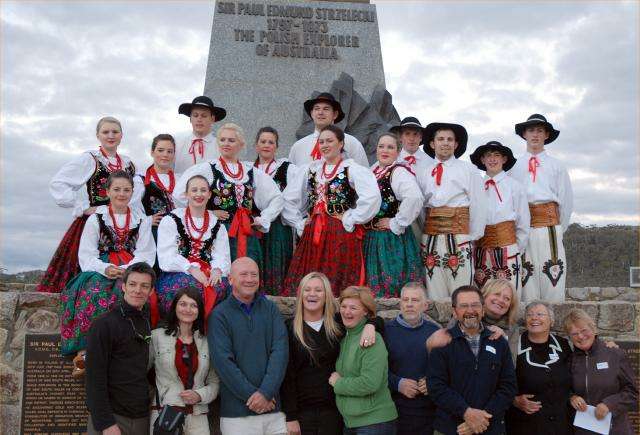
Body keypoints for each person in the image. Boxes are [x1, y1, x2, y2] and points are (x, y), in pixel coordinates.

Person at [60, 171, 155, 377]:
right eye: (117, 189)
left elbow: (146, 253)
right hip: (101, 266)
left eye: (126, 190)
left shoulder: (141, 220)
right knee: (93, 292)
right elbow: (86, 255)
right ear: (108, 191)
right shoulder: (96, 219)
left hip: (133, 267)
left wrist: (128, 269)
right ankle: (85, 353)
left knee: (136, 296)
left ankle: (126, 354)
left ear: (132, 192)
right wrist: (106, 268)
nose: (122, 194)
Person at [38, 116, 141, 293]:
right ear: (98, 135)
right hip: (94, 224)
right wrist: (84, 207)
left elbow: (137, 192)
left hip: (124, 226)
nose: (110, 135)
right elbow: (58, 183)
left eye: (115, 132)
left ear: (121, 135)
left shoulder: (129, 163)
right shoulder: (90, 158)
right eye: (105, 132)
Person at [282, 125, 381, 296]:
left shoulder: (351, 169)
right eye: (321, 142)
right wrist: (299, 222)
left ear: (341, 143)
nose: (325, 145)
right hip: (312, 233)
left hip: (339, 233)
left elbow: (372, 197)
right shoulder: (311, 169)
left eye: (329, 141)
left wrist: (351, 217)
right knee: (309, 278)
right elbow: (288, 199)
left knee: (337, 279)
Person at [281, 272, 382, 435]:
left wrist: (371, 326)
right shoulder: (289, 328)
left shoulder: (338, 323)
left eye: (318, 290)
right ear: (300, 294)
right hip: (302, 414)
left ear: (326, 295)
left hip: (335, 411)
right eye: (307, 290)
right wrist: (290, 416)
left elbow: (375, 319)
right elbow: (287, 375)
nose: (312, 294)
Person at [174, 123, 284, 267]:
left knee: (247, 269)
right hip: (218, 232)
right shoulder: (208, 168)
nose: (226, 143)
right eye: (222, 140)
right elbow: (180, 195)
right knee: (221, 269)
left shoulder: (251, 171)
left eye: (231, 140)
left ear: (241, 144)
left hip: (246, 232)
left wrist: (264, 218)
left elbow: (276, 198)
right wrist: (208, 213)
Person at [210, 257, 288, 435]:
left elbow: (280, 353)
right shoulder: (219, 315)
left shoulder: (271, 310)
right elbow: (224, 363)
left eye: (254, 274)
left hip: (273, 411)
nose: (250, 279)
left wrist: (266, 393)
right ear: (230, 279)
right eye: (243, 274)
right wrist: (255, 397)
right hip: (237, 415)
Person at [428, 285, 516, 435]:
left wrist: (482, 418)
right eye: (463, 306)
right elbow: (436, 386)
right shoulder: (443, 341)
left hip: (490, 427)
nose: (470, 310)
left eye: (475, 305)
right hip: (451, 429)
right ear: (454, 312)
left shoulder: (499, 342)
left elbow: (508, 386)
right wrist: (466, 413)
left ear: (482, 309)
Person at [85, 262, 156, 435]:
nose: (137, 290)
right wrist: (105, 423)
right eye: (132, 284)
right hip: (111, 420)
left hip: (141, 417)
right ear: (123, 286)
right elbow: (94, 378)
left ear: (151, 291)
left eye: (144, 286)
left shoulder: (149, 322)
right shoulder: (103, 325)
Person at [509, 114, 573, 302]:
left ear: (546, 135)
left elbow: (566, 201)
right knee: (526, 275)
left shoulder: (557, 165)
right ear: (524, 134)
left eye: (539, 131)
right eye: (531, 130)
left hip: (549, 228)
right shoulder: (514, 166)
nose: (535, 135)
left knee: (552, 273)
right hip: (523, 228)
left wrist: (559, 229)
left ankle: (552, 324)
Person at [420, 123, 487, 301]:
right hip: (431, 237)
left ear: (456, 145)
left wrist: (473, 236)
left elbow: (479, 204)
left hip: (459, 237)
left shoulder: (468, 170)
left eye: (450, 139)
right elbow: (419, 206)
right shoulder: (424, 172)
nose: (445, 143)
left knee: (462, 289)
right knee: (434, 288)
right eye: (440, 139)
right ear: (432, 144)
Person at [156, 175, 231, 318]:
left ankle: (211, 333)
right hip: (177, 272)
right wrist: (190, 268)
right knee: (189, 288)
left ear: (209, 195)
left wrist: (217, 270)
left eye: (203, 190)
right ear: (186, 194)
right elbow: (166, 257)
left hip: (209, 272)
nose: (198, 194)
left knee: (223, 286)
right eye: (194, 190)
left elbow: (222, 255)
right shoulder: (172, 220)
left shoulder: (217, 225)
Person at [150, 287, 220, 435]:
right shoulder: (156, 337)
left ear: (199, 310)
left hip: (198, 418)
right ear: (174, 307)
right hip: (165, 415)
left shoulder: (207, 342)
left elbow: (215, 382)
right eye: (183, 304)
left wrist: (200, 395)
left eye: (193, 305)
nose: (188, 309)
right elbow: (140, 372)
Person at [329, 286, 398, 434]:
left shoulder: (372, 339)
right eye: (344, 306)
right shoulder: (345, 336)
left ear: (365, 311)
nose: (347, 312)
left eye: (353, 308)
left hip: (374, 423)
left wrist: (338, 383)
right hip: (351, 422)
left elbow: (369, 383)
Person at [365, 133, 424, 297]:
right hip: (371, 236)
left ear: (398, 151)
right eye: (381, 146)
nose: (385, 150)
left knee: (392, 282)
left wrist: (395, 223)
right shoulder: (373, 170)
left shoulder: (398, 172)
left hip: (390, 239)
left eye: (390, 147)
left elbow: (414, 197)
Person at [566, 309, 638, 435]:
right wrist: (572, 397)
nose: (580, 337)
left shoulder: (615, 354)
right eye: (574, 334)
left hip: (615, 428)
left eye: (584, 330)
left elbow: (632, 392)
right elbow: (563, 389)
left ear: (593, 328)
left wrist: (609, 404)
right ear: (570, 337)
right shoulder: (570, 360)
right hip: (584, 430)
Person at [505, 301, 573, 435]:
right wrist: (513, 400)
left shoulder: (565, 345)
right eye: (529, 315)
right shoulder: (513, 346)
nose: (534, 318)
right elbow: (498, 380)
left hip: (561, 426)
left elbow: (584, 363)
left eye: (540, 314)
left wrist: (608, 347)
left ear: (551, 321)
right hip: (525, 426)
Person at [470, 141, 529, 290]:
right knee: (482, 294)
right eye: (488, 155)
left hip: (507, 248)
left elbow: (523, 222)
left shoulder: (515, 187)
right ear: (482, 160)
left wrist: (515, 250)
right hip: (480, 249)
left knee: (508, 295)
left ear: (504, 159)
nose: (492, 159)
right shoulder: (475, 187)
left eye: (496, 155)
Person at [385, 282, 440, 435]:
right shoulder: (386, 331)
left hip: (428, 412)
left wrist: (432, 381)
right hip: (394, 411)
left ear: (425, 305)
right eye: (405, 299)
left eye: (415, 300)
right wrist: (398, 383)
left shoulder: (435, 331)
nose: (409, 304)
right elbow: (376, 371)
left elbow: (446, 369)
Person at [253, 126, 298, 295]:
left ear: (276, 147)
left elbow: (300, 195)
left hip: (278, 226)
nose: (266, 145)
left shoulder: (288, 169)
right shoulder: (248, 170)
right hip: (253, 225)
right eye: (263, 141)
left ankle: (278, 301)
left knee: (276, 262)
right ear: (256, 146)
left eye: (271, 142)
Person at [427, 279, 521, 357]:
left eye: (507, 298)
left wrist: (503, 340)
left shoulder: (512, 328)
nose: (501, 300)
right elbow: (448, 351)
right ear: (484, 295)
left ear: (510, 305)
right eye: (497, 294)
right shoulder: (465, 313)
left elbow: (511, 365)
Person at [288, 92, 369, 167]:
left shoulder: (351, 143)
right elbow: (291, 179)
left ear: (335, 114)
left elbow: (364, 176)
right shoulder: (298, 147)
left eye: (326, 109)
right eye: (317, 108)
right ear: (312, 114)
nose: (320, 112)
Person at [390, 116, 433, 242]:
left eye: (415, 134)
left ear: (421, 138)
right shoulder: (392, 160)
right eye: (407, 134)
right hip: (395, 214)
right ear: (400, 137)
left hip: (423, 216)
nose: (411, 138)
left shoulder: (431, 163)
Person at [174, 96, 226, 175]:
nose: (199, 119)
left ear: (212, 119)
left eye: (204, 116)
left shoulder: (221, 147)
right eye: (195, 115)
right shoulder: (177, 143)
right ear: (190, 119)